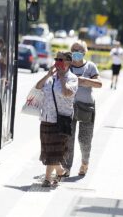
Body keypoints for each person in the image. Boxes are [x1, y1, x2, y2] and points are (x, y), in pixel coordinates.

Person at [35, 51, 78, 187]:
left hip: (61, 120)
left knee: (55, 151)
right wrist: (49, 74)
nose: (58, 62)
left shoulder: (72, 78)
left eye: (61, 59)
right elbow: (38, 87)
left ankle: (47, 179)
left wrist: (62, 77)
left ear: (69, 62)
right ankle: (60, 171)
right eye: (57, 59)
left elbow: (67, 92)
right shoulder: (51, 77)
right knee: (48, 151)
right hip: (46, 118)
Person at [63, 41, 102, 177]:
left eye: (79, 50)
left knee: (84, 139)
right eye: (74, 49)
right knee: (68, 138)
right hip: (68, 107)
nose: (76, 52)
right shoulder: (66, 66)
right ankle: (66, 168)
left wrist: (84, 81)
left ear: (84, 52)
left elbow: (99, 83)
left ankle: (85, 163)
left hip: (86, 107)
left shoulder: (90, 66)